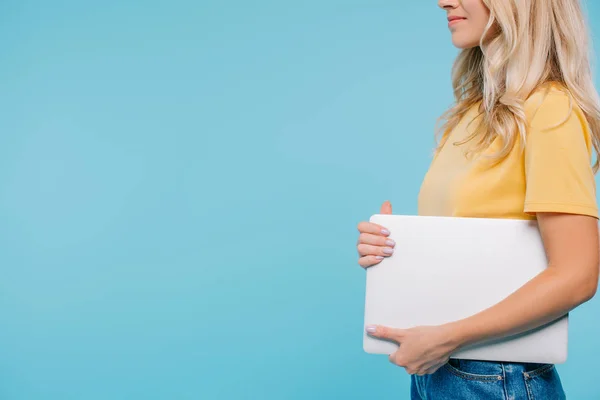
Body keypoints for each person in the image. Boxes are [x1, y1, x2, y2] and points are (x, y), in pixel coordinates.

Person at [355, 0, 600, 399]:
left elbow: (578, 274)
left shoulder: (549, 108)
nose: (443, 1)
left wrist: (449, 338)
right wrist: (390, 248)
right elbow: (470, 245)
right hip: (437, 367)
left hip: (493, 374)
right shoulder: (474, 114)